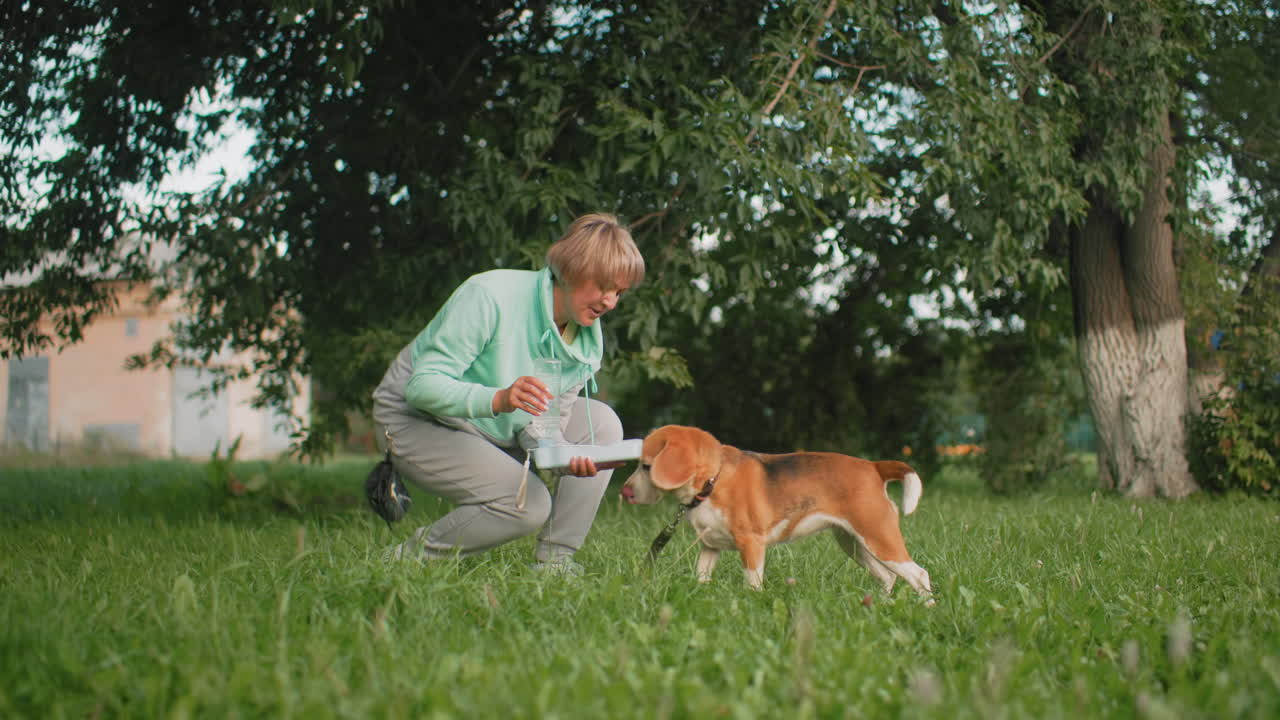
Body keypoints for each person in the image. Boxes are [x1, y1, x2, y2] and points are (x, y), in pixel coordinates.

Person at [371, 212, 645, 575]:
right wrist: (499, 399)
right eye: (604, 286)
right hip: (414, 419)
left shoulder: (585, 342)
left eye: (619, 292)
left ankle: (555, 564)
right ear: (572, 268)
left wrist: (568, 456)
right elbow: (421, 387)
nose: (610, 301)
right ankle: (400, 563)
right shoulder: (490, 295)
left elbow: (542, 429)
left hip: (493, 427)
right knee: (527, 505)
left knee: (603, 424)